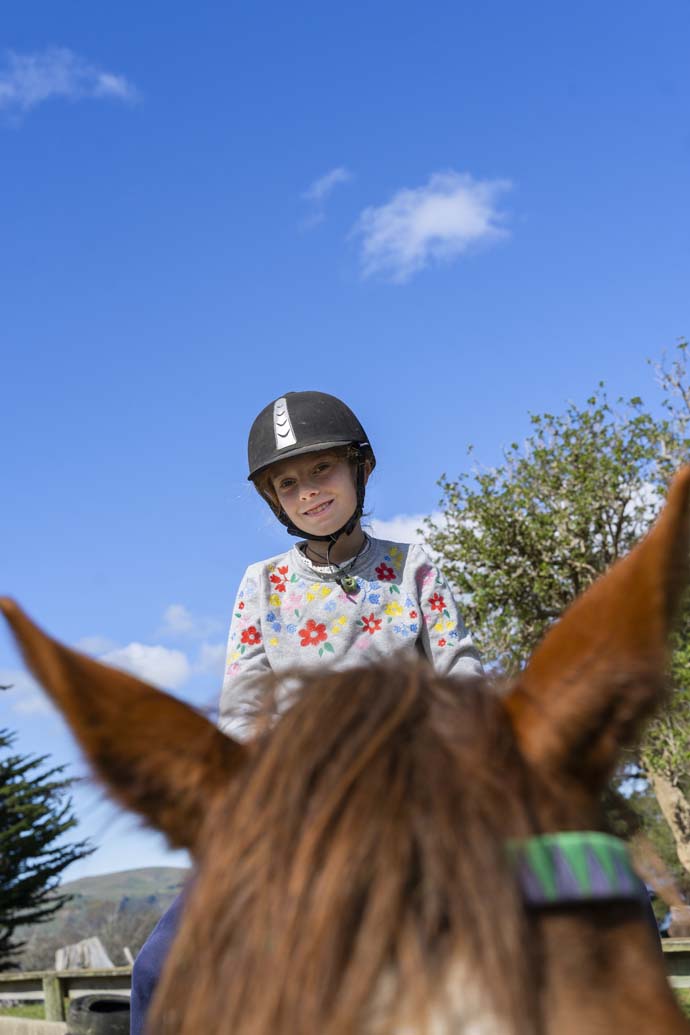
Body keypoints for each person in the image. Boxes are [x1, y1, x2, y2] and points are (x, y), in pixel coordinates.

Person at [130, 390, 481, 1034]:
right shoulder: (260, 584)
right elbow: (242, 704)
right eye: (288, 482)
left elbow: (462, 674)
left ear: (359, 468)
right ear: (274, 500)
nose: (309, 491)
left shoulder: (413, 566)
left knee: (585, 897)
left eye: (321, 469)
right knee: (158, 970)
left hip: (412, 791)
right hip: (296, 806)